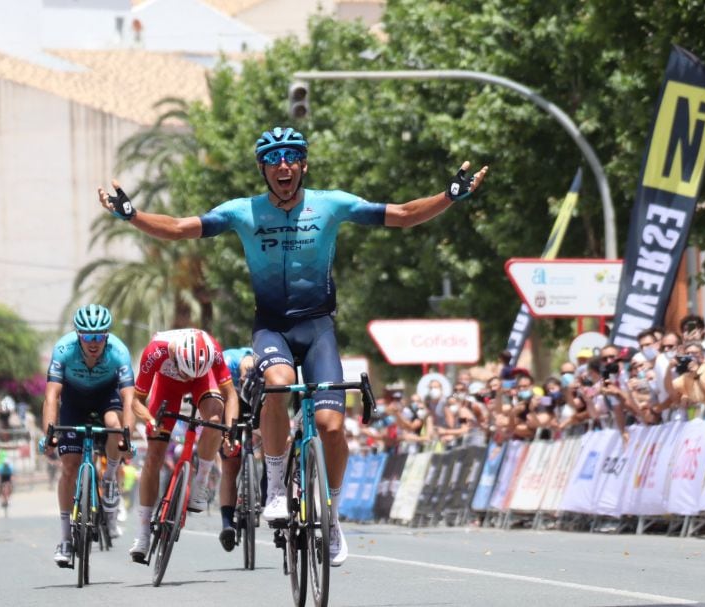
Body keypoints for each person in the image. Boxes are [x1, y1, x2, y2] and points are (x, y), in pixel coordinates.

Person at [99, 126, 487, 567]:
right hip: (272, 329)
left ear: (303, 164)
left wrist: (449, 197)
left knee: (331, 425)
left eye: (292, 157)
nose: (284, 165)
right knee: (278, 383)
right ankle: (278, 487)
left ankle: (333, 518)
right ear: (263, 168)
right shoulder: (243, 212)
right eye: (274, 158)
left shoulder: (331, 204)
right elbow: (179, 227)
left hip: (318, 327)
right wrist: (132, 214)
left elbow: (401, 213)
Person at [127, 328, 239, 563]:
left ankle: (201, 482)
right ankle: (143, 533)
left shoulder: (213, 350)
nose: (187, 378)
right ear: (175, 356)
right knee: (154, 456)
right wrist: (149, 420)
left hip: (204, 382)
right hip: (167, 385)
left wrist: (231, 430)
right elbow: (136, 401)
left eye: (191, 374)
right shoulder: (155, 351)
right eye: (184, 372)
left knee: (215, 419)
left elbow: (231, 395)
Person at [41, 304, 135, 568]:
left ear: (106, 335)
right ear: (78, 335)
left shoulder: (119, 352)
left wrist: (127, 438)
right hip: (73, 400)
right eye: (87, 336)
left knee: (114, 423)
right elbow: (51, 395)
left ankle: (110, 478)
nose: (93, 343)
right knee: (69, 468)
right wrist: (49, 433)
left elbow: (129, 399)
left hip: (107, 396)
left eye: (98, 336)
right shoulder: (63, 349)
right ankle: (65, 540)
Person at [217, 346, 255, 552]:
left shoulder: (261, 364)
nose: (243, 379)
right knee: (230, 464)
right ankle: (227, 524)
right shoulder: (226, 361)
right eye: (242, 377)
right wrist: (227, 436)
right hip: (228, 399)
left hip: (255, 398)